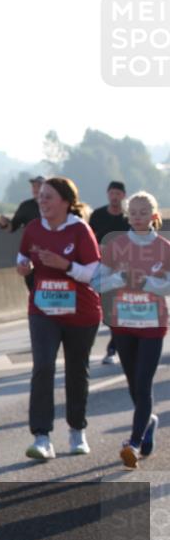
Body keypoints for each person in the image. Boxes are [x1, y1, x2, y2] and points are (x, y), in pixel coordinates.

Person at [16, 176, 100, 460]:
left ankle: (77, 431)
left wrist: (66, 265)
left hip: (80, 312)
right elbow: (21, 257)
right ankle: (41, 437)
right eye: (40, 196)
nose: (42, 201)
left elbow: (94, 273)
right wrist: (24, 266)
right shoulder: (33, 228)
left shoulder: (80, 229)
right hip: (43, 310)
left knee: (76, 371)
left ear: (65, 201)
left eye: (48, 196)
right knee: (43, 367)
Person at [96, 191, 167, 468]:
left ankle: (134, 444)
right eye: (133, 212)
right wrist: (120, 278)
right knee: (133, 385)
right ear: (127, 216)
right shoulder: (116, 245)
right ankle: (149, 423)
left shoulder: (164, 247)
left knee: (143, 383)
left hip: (152, 324)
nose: (137, 217)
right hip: (123, 323)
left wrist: (146, 282)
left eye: (143, 212)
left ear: (153, 215)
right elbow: (97, 282)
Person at [90, 181, 131, 364]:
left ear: (123, 196)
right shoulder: (97, 215)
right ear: (108, 194)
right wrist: (98, 248)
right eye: (112, 193)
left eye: (118, 194)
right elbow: (88, 238)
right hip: (101, 268)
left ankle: (112, 349)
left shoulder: (129, 217)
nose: (114, 197)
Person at [0, 175, 45, 291]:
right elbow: (12, 227)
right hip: (31, 255)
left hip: (52, 254)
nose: (35, 189)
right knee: (33, 288)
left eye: (39, 186)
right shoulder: (26, 206)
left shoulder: (57, 206)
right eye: (33, 186)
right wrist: (4, 223)